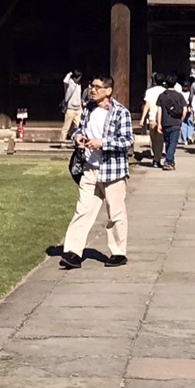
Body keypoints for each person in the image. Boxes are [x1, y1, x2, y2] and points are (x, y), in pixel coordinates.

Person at [60, 76, 132, 268]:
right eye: (91, 86)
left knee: (115, 213)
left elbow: (127, 141)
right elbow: (80, 130)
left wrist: (103, 143)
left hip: (112, 171)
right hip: (90, 168)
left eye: (97, 87)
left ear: (108, 90)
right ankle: (73, 251)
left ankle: (118, 252)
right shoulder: (88, 110)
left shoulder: (120, 113)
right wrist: (78, 138)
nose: (92, 90)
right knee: (82, 210)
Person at [156, 79, 187, 170]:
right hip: (176, 122)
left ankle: (171, 161)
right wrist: (181, 119)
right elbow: (185, 110)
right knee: (173, 143)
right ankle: (168, 161)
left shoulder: (162, 96)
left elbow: (159, 111)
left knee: (168, 143)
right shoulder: (179, 95)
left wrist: (159, 124)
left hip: (165, 122)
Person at [139, 73, 168, 164]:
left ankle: (156, 156)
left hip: (152, 117)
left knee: (153, 139)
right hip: (163, 118)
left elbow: (146, 105)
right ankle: (157, 158)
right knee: (160, 139)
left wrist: (143, 118)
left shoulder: (149, 91)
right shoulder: (165, 91)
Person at [60, 70, 85, 142]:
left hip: (78, 109)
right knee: (66, 127)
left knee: (79, 126)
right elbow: (65, 81)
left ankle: (75, 140)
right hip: (70, 109)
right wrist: (69, 73)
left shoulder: (79, 84)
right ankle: (62, 142)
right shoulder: (69, 84)